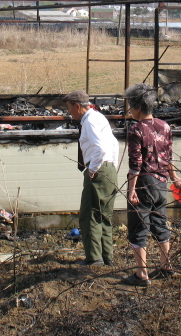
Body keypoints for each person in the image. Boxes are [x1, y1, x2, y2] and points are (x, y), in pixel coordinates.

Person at [123, 83, 181, 286]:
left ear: (138, 107)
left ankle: (142, 274)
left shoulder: (136, 129)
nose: (129, 110)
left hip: (143, 183)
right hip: (161, 183)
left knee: (138, 227)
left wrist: (131, 189)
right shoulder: (165, 126)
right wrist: (175, 178)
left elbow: (136, 164)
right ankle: (166, 265)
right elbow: (169, 157)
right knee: (160, 223)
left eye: (130, 106)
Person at [63, 90, 119, 266]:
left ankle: (94, 258)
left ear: (77, 106)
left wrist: (93, 170)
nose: (69, 113)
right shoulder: (99, 117)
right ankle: (106, 256)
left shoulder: (89, 121)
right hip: (109, 169)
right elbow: (113, 144)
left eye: (69, 108)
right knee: (104, 216)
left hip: (99, 169)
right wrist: (112, 166)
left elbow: (100, 148)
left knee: (90, 216)